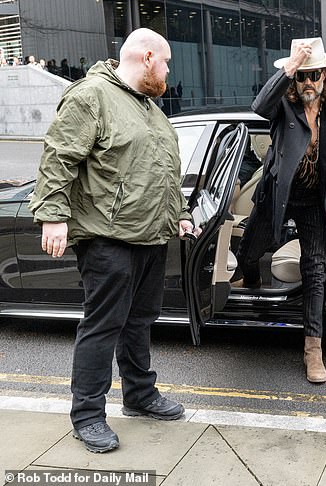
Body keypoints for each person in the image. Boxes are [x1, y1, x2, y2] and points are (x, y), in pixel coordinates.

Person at [28, 27, 200, 454]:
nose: (168, 71)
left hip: (150, 235)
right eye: (166, 62)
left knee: (140, 321)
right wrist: (52, 216)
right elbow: (58, 157)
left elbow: (164, 169)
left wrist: (179, 214)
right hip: (108, 237)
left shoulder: (150, 108)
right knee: (103, 325)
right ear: (147, 58)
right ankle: (87, 415)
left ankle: (139, 394)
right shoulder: (91, 96)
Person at [236, 37, 326, 384]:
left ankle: (313, 349)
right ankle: (251, 278)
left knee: (315, 270)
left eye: (315, 75)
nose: (308, 82)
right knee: (249, 251)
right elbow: (259, 106)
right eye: (302, 76)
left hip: (317, 200)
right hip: (278, 195)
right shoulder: (282, 104)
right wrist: (290, 66)